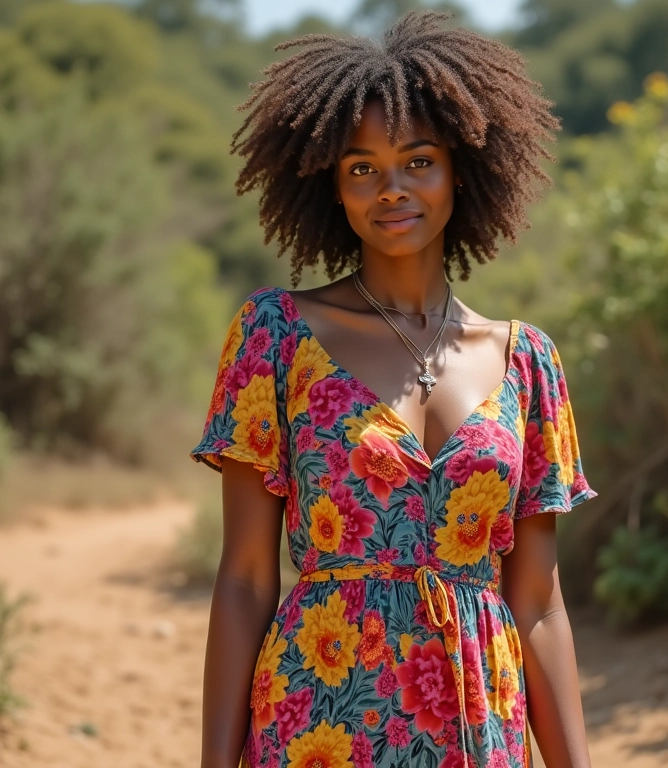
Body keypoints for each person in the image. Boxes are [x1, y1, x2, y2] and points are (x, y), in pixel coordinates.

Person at [191, 11, 597, 768]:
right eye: (362, 168)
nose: (391, 189)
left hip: (478, 725)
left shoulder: (528, 363)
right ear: (332, 185)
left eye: (418, 161)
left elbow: (539, 604)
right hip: (320, 719)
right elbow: (245, 577)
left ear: (460, 169)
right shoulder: (277, 336)